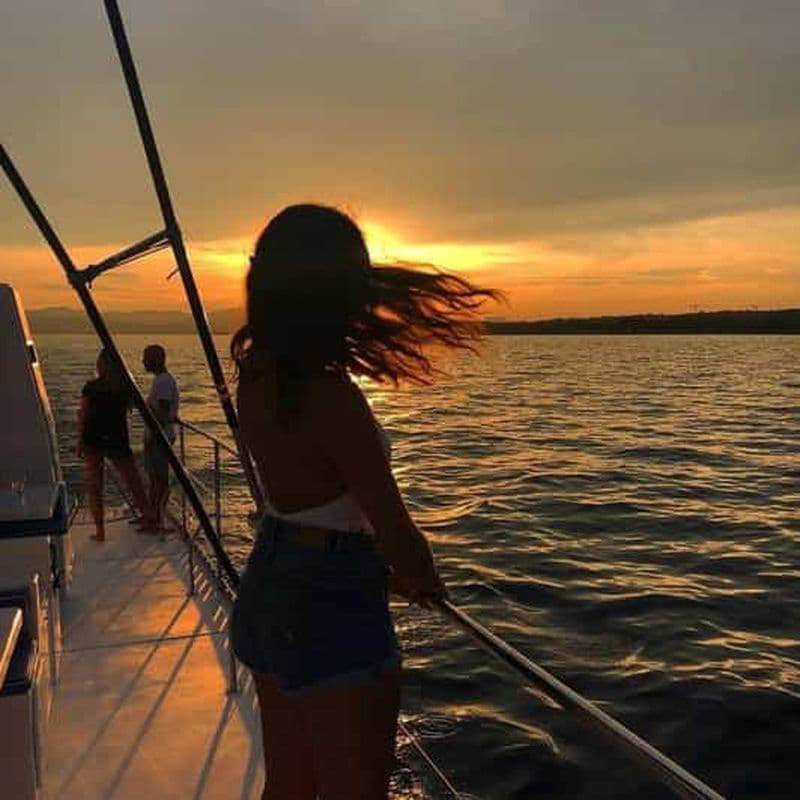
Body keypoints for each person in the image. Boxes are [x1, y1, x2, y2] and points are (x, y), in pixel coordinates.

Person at [229, 204, 498, 800]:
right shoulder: (333, 398)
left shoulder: (255, 372)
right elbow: (395, 530)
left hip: (270, 577)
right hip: (330, 599)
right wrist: (418, 574)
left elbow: (304, 496)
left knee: (289, 787)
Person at [77, 349, 155, 541]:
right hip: (117, 439)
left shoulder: (91, 387)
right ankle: (149, 519)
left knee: (96, 486)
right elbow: (134, 408)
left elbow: (83, 415)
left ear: (101, 364)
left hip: (93, 438)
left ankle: (100, 531)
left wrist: (79, 440)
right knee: (133, 481)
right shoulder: (125, 389)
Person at [139, 344, 180, 530]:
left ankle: (156, 519)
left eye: (146, 358)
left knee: (159, 480)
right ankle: (152, 515)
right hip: (157, 437)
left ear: (156, 359)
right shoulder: (162, 380)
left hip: (159, 439)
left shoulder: (163, 382)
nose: (143, 361)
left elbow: (163, 412)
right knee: (155, 478)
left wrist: (155, 437)